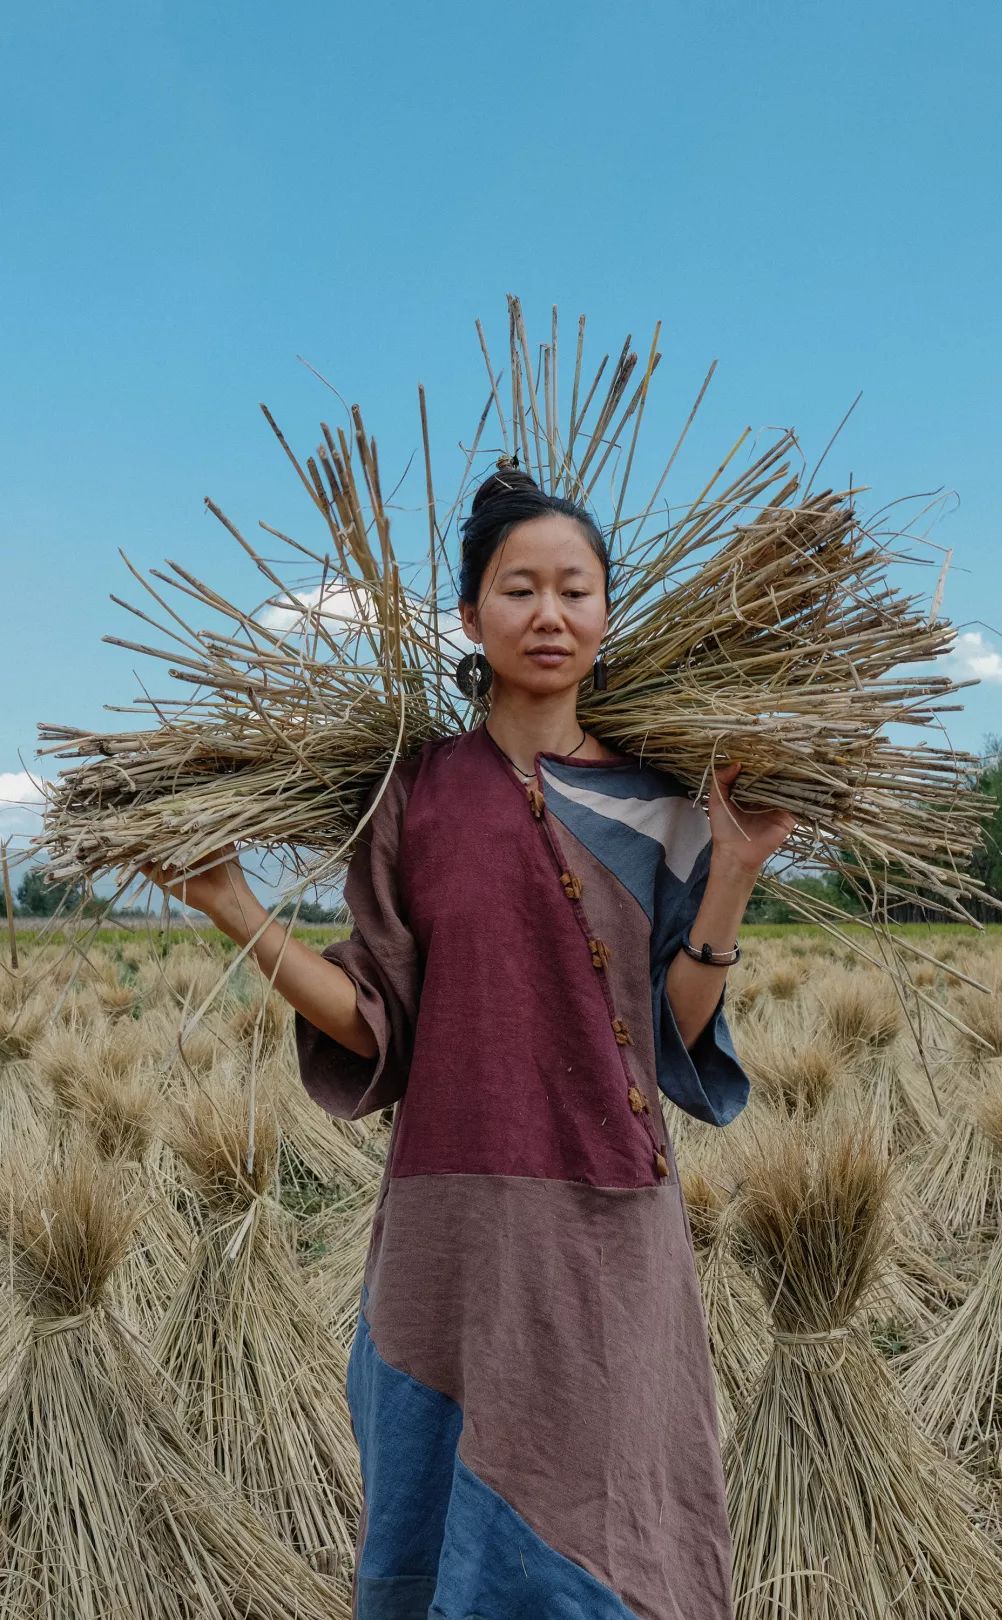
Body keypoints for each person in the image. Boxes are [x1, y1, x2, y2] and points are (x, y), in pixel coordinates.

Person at [141, 457, 796, 1620]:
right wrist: (234, 910)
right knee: (434, 1510)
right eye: (519, 588)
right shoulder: (415, 794)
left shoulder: (666, 803)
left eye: (576, 590)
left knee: (614, 1517)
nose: (549, 614)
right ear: (469, 614)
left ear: (609, 612)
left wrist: (734, 873)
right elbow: (374, 1019)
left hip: (608, 1225)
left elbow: (672, 1035)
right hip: (452, 1218)